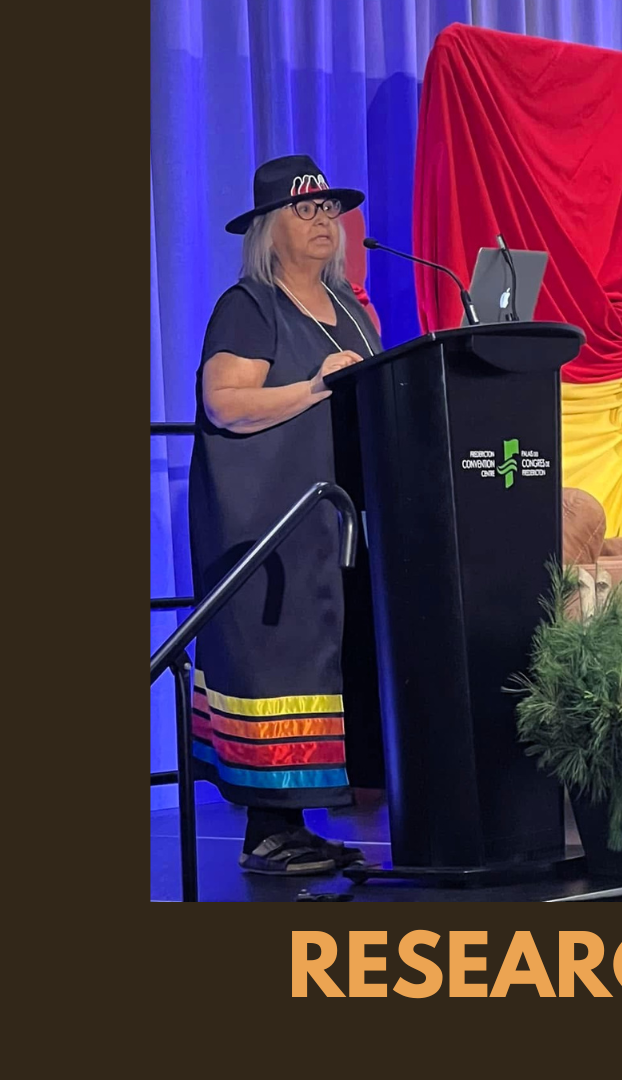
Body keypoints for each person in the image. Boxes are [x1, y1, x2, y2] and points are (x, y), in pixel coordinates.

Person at [187, 155, 381, 875]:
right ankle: (268, 830)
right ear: (269, 230)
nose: (323, 222)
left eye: (330, 210)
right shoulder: (251, 306)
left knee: (328, 660)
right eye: (305, 211)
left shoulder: (354, 311)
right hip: (271, 523)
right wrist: (310, 387)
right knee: (278, 666)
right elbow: (225, 403)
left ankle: (296, 825)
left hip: (340, 522)